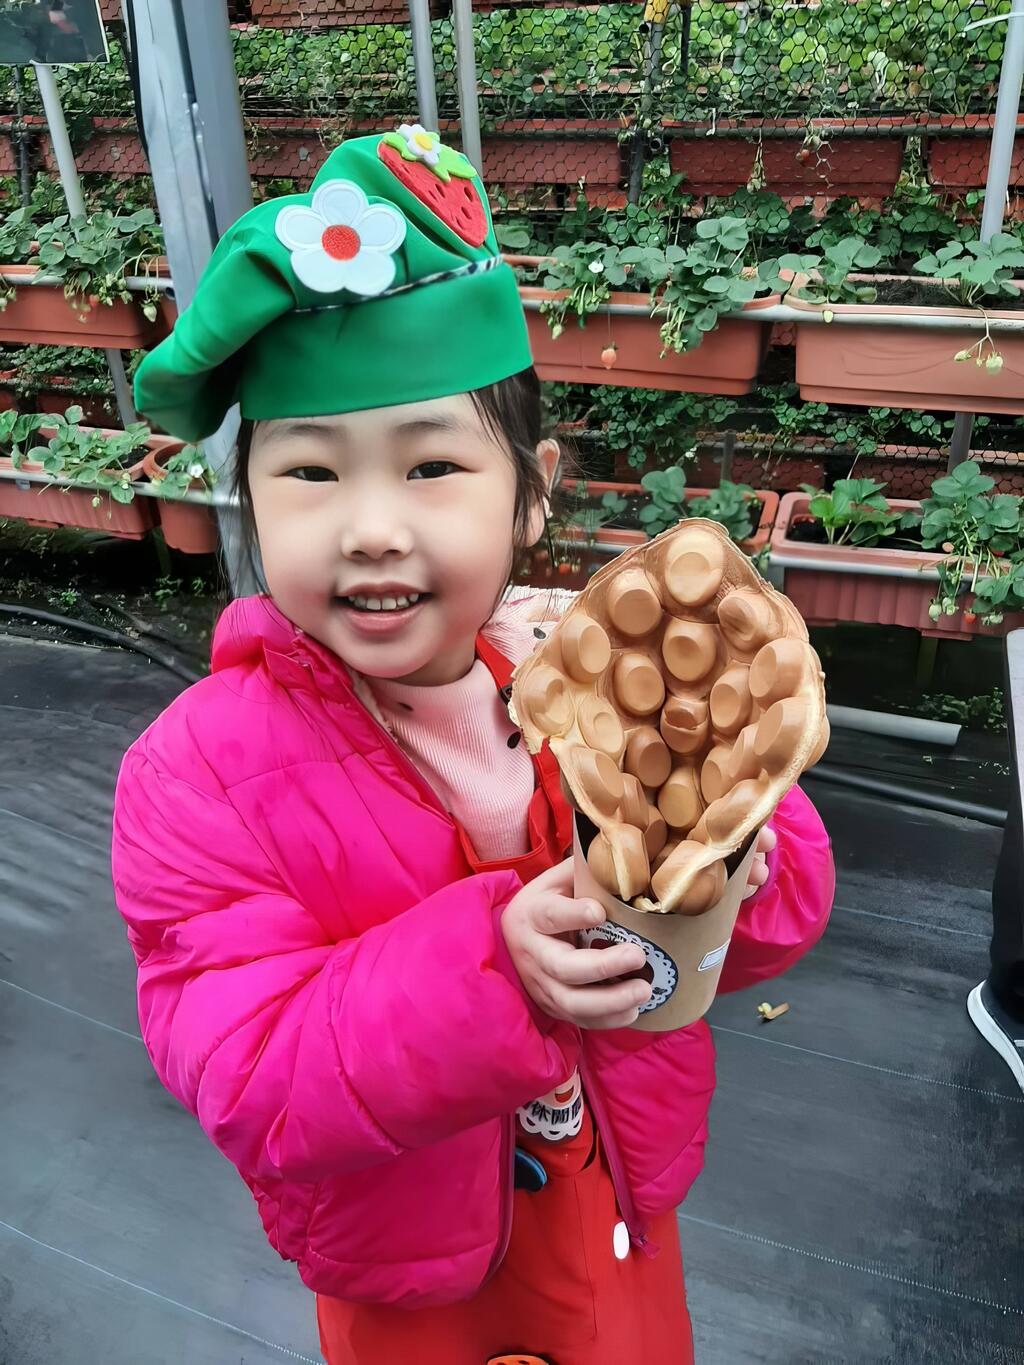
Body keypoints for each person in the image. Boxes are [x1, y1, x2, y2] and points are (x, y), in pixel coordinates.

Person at [111, 127, 835, 1365]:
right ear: (250, 502)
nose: (370, 528)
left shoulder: (602, 686)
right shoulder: (200, 773)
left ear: (531, 492)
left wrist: (739, 863)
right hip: (411, 1281)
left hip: (617, 1212)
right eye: (309, 474)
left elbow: (758, 939)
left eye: (433, 464)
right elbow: (249, 1073)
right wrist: (498, 971)